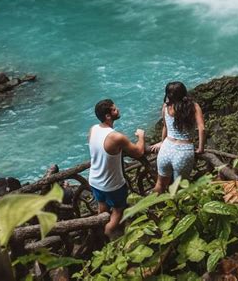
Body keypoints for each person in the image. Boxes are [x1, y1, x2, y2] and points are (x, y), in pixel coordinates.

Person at [88, 98, 145, 238]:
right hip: (112, 184)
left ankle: (100, 229)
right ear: (108, 116)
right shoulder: (116, 137)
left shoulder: (93, 129)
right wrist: (141, 136)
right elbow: (138, 152)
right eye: (114, 109)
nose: (117, 109)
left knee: (102, 205)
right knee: (119, 209)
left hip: (94, 179)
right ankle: (109, 234)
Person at [151, 81, 205, 193]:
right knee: (179, 189)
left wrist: (162, 142)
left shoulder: (166, 107)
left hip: (166, 149)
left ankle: (150, 207)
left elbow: (165, 127)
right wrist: (200, 148)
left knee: (160, 184)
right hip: (183, 152)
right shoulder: (193, 107)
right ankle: (177, 209)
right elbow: (202, 128)